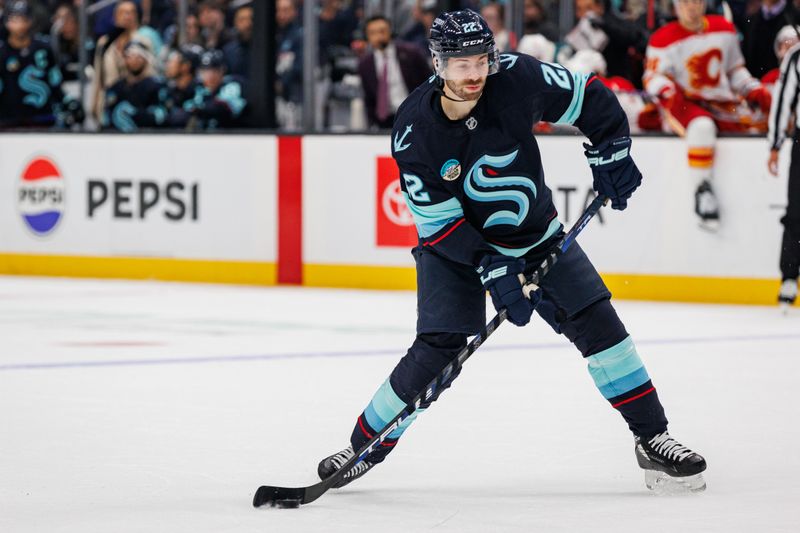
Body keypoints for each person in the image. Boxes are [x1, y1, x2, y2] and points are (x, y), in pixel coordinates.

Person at [318, 9, 707, 493]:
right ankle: (361, 447)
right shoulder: (414, 132)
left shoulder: (517, 77)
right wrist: (488, 265)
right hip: (455, 250)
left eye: (481, 59)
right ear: (437, 64)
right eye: (461, 64)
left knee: (603, 329)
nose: (475, 73)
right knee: (439, 347)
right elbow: (439, 225)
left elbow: (591, 99)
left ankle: (653, 439)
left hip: (535, 235)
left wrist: (612, 150)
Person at [643, 0, 772, 231]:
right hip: (684, 102)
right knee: (702, 127)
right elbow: (652, 77)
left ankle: (766, 190)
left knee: (765, 123)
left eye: (696, 1)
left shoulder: (723, 27)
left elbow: (734, 70)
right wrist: (666, 90)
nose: (691, 6)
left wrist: (751, 87)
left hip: (721, 102)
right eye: (685, 2)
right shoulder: (662, 38)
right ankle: (702, 191)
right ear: (676, 6)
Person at [0, 0, 82, 129]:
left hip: (42, 117)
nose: (19, 24)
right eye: (14, 19)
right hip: (9, 120)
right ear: (6, 22)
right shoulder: (2, 52)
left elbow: (54, 81)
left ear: (30, 21)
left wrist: (68, 103)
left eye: (23, 19)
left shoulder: (43, 47)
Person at [767, 37, 800, 309]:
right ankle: (789, 277)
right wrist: (775, 144)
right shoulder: (796, 56)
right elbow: (782, 100)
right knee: (796, 211)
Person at [358, 14, 431, 129]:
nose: (379, 36)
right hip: (384, 121)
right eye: (373, 33)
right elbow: (369, 99)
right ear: (367, 36)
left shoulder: (412, 54)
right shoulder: (365, 65)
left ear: (390, 31)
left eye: (382, 31)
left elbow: (429, 82)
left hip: (414, 115)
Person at [102, 40, 168, 132]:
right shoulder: (116, 87)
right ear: (124, 59)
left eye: (138, 56)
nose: (134, 61)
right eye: (130, 56)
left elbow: (161, 116)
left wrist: (135, 114)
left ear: (145, 59)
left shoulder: (155, 86)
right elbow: (106, 118)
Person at [182, 48, 247, 129]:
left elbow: (222, 108)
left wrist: (199, 108)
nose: (210, 75)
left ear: (222, 70)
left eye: (214, 70)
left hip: (229, 135)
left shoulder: (231, 85)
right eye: (205, 70)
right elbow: (184, 106)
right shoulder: (197, 88)